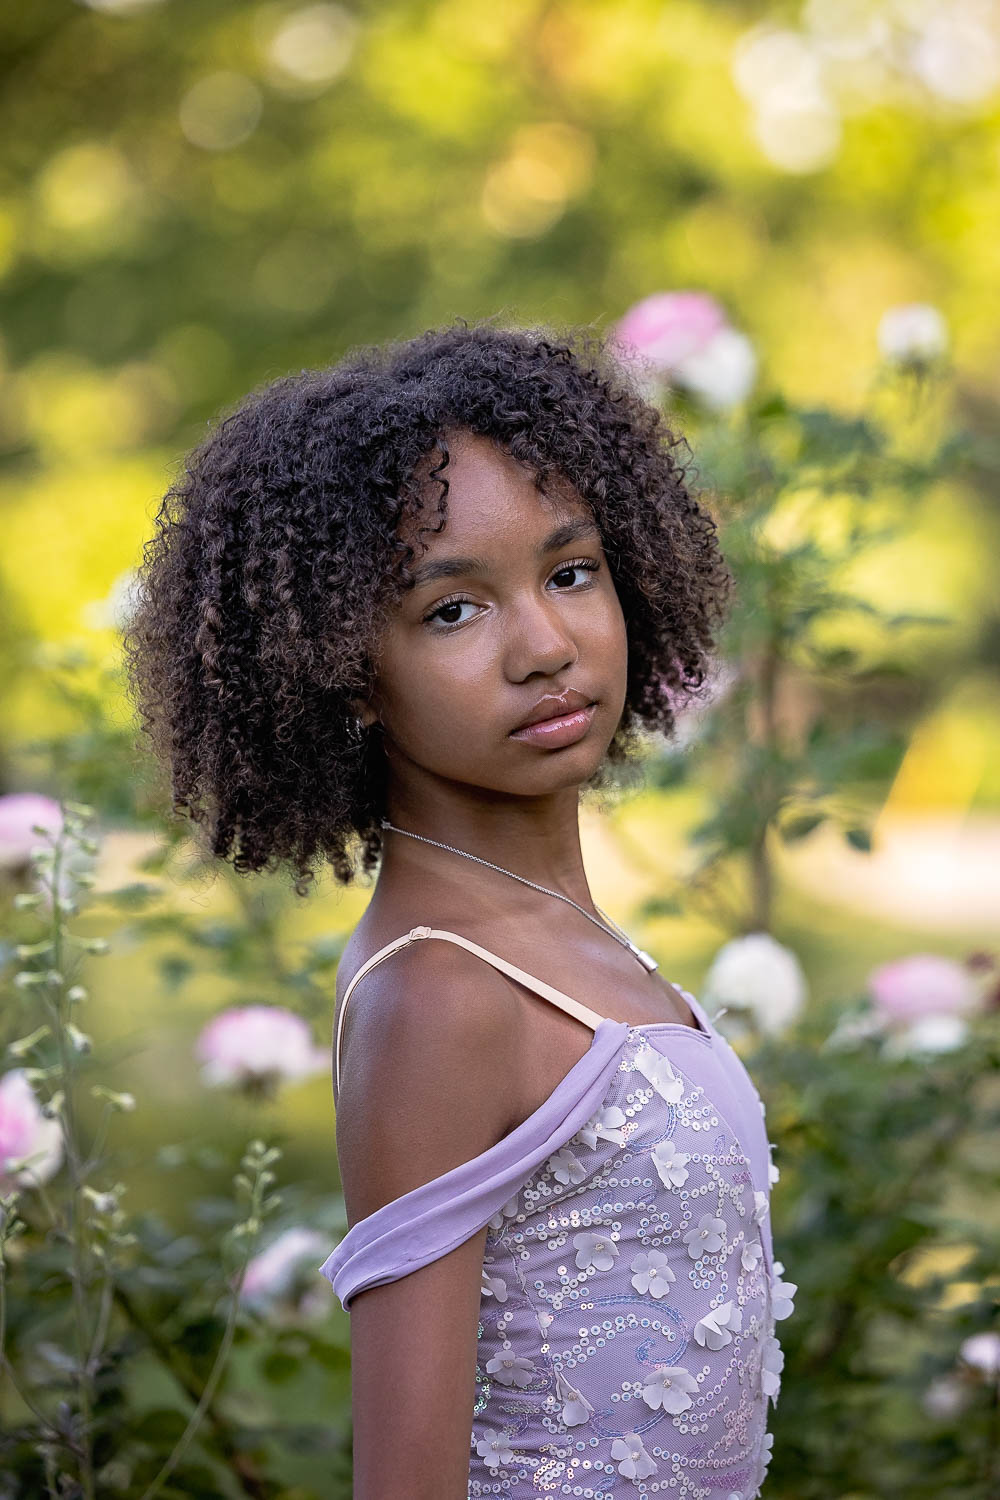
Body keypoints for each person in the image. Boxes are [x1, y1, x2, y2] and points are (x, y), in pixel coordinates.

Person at [123, 318, 787, 1499]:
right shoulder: (438, 992)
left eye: (570, 572)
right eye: (451, 611)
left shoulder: (562, 941)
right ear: (341, 671)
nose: (545, 645)